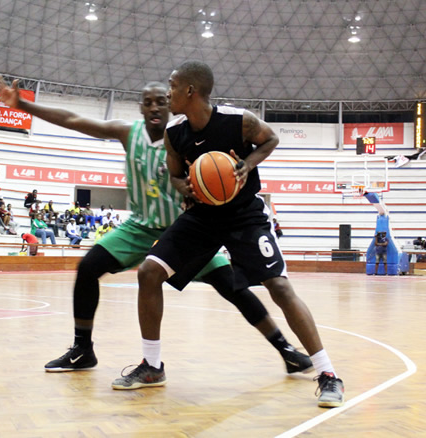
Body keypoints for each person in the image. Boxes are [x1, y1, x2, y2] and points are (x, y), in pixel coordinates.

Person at [0, 75, 313, 380]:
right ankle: (82, 349)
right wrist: (23, 105)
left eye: (161, 100)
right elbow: (74, 120)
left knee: (233, 287)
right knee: (88, 267)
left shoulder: (185, 135)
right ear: (141, 107)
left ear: (170, 103)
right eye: (148, 102)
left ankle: (286, 350)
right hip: (139, 227)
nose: (155, 107)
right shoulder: (127, 132)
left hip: (184, 229)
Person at [113, 61, 343, 407]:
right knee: (149, 272)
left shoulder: (238, 121)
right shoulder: (174, 135)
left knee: (279, 286)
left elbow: (271, 139)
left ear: (190, 90)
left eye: (173, 86)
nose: (168, 92)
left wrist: (246, 165)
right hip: (202, 216)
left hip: (244, 215)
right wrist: (187, 186)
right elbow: (176, 177)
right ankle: (152, 366)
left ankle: (328, 374)